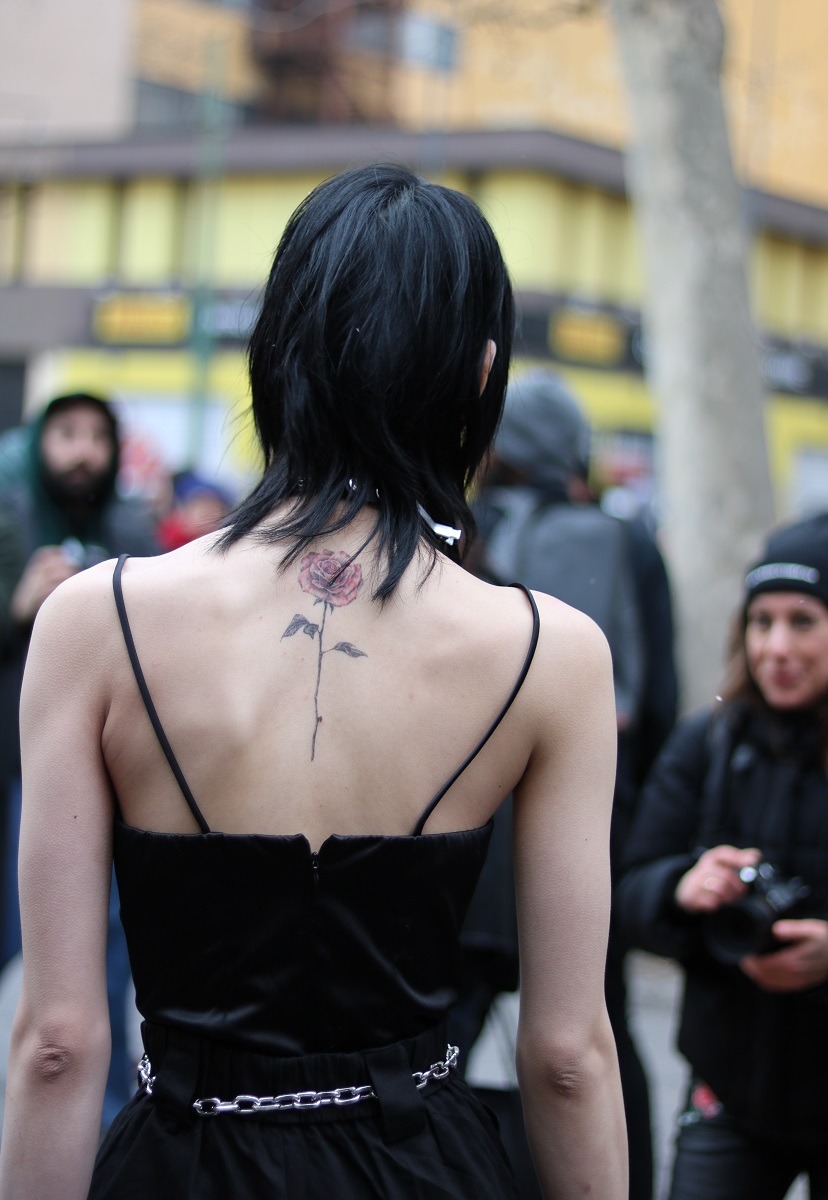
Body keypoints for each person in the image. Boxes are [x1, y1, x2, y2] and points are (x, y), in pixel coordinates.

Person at [0, 165, 626, 1200]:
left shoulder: (94, 620)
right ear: (479, 374)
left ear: (275, 351)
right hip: (423, 1167)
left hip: (180, 1160)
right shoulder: (548, 652)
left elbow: (58, 1044)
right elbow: (567, 1056)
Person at [472, 369, 672, 1200]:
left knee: (437, 1034)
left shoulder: (457, 534)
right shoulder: (623, 542)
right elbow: (657, 701)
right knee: (595, 1033)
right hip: (594, 836)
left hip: (465, 837)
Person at [616, 513, 828, 1200]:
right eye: (761, 621)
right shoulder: (707, 743)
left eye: (803, 621)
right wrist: (684, 887)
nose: (776, 648)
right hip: (729, 1090)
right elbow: (629, 892)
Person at [0, 392, 157, 1127]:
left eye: (97, 435)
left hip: (114, 778)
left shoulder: (132, 532)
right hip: (19, 774)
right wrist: (17, 607)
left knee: (111, 951)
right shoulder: (10, 522)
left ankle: (107, 1117)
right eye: (65, 434)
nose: (83, 452)